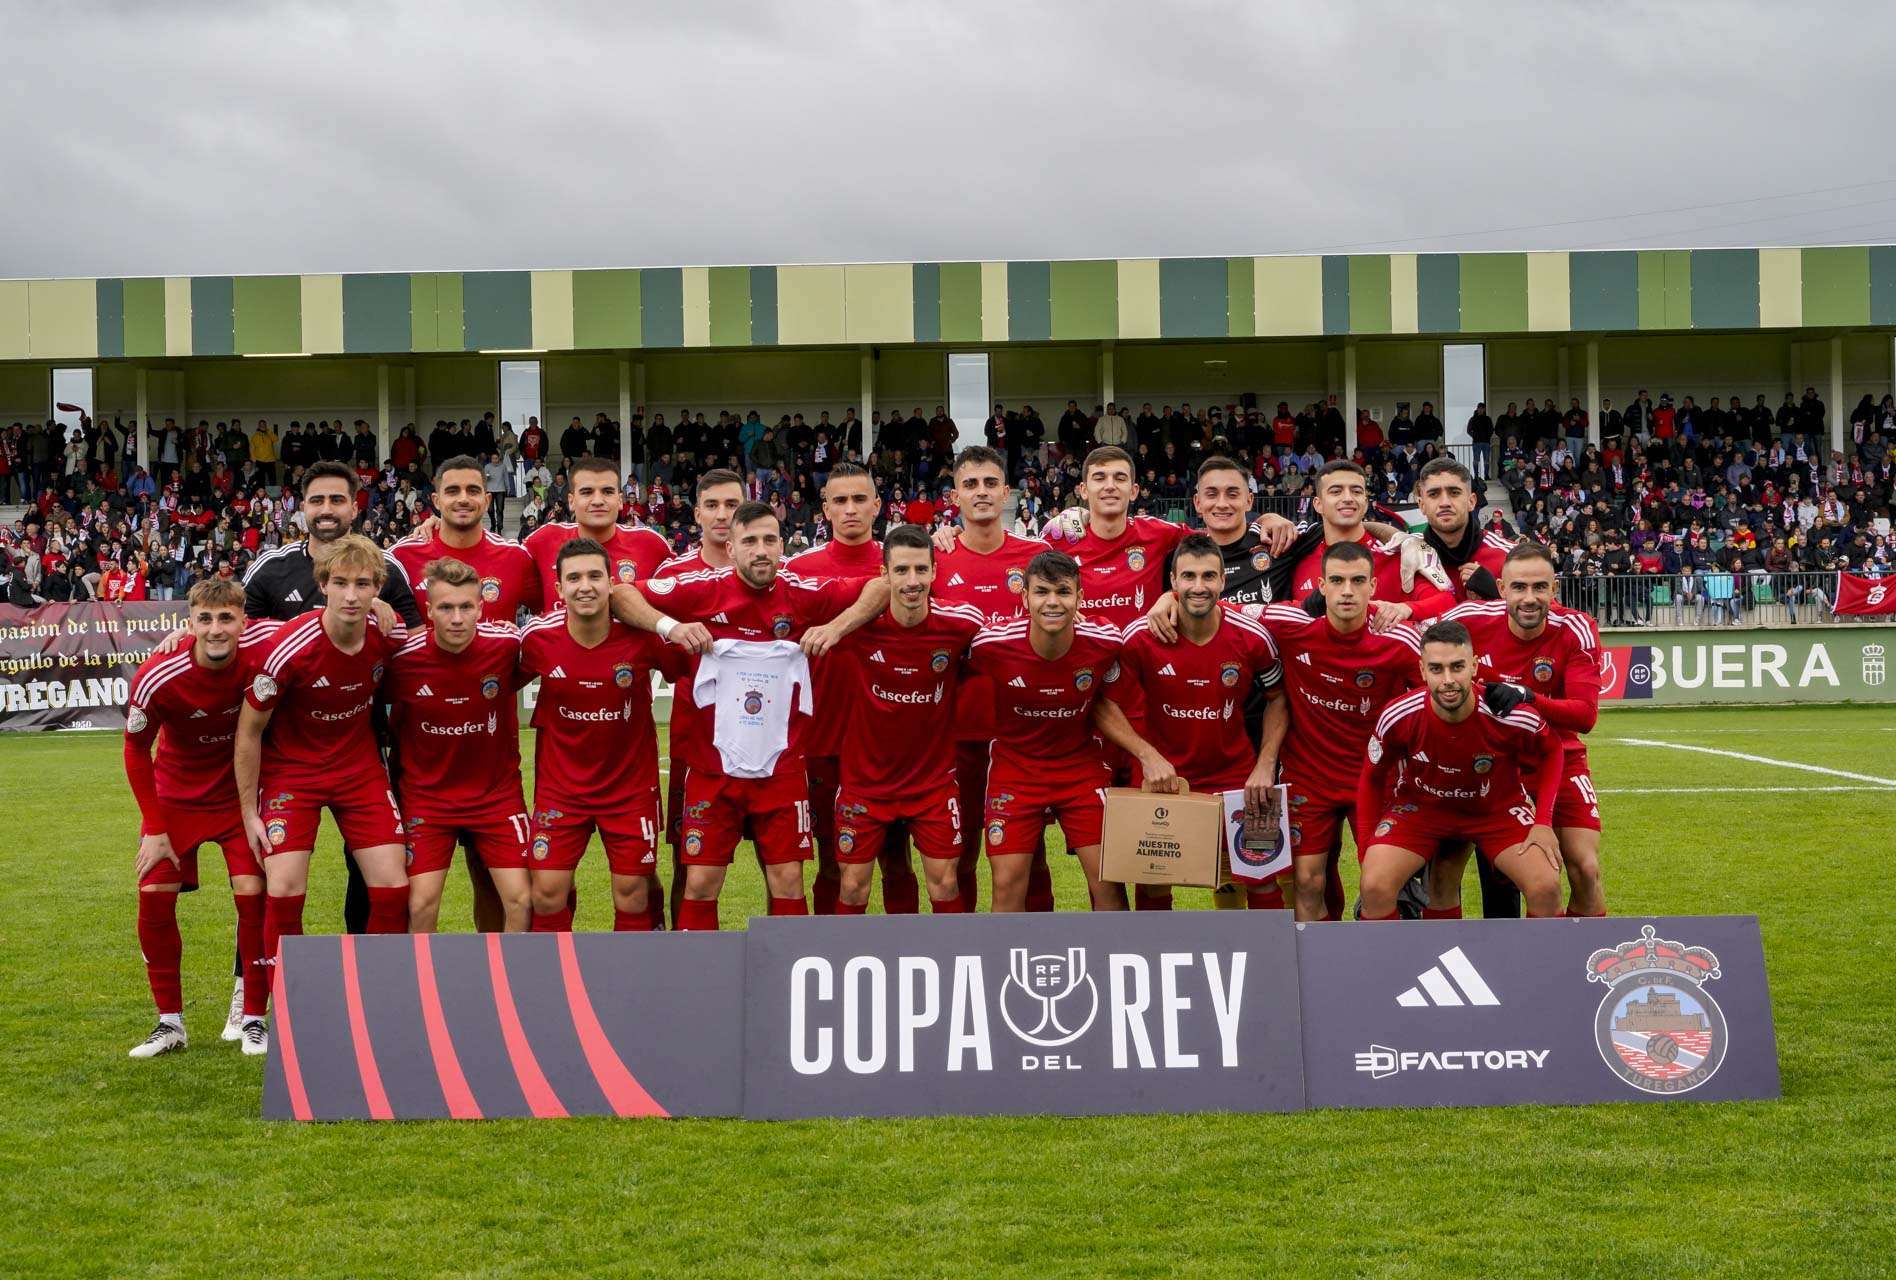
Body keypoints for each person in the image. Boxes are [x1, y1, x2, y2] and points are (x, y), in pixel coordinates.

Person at [612, 503, 889, 929]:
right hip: (712, 768)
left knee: (789, 881)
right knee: (701, 882)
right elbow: (621, 594)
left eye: (769, 540)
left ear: (782, 545)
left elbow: (879, 587)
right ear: (731, 547)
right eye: (750, 542)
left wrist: (837, 627)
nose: (761, 551)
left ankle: (787, 981)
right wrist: (672, 627)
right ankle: (701, 982)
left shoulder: (802, 592)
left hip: (781, 770)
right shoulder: (702, 589)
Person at [234, 535, 413, 1046]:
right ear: (323, 586)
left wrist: (388, 611)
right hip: (294, 773)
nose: (352, 595)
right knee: (284, 886)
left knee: (393, 886)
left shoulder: (386, 635)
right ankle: (276, 1011)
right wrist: (249, 812)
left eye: (364, 584)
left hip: (359, 770)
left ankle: (378, 999)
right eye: (341, 584)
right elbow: (249, 733)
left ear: (378, 588)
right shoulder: (290, 646)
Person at [122, 580, 276, 1058]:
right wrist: (154, 825)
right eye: (205, 619)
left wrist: (375, 603)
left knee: (254, 901)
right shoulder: (158, 674)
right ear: (188, 624)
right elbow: (134, 751)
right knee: (154, 897)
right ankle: (170, 1023)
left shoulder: (262, 653)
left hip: (238, 800)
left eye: (226, 618)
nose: (216, 629)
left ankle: (253, 1019)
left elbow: (322, 619)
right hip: (175, 801)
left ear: (242, 621)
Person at [1096, 535, 1287, 907]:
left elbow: (1278, 698)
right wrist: (1146, 756)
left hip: (1237, 775)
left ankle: (1272, 964)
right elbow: (1103, 702)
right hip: (1164, 776)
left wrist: (1266, 765)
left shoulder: (1251, 637)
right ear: (1173, 582)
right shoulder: (1141, 638)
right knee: (1153, 882)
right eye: (1188, 577)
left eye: (1208, 577)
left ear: (1222, 581)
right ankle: (1156, 962)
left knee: (1262, 876)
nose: (1199, 587)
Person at [515, 538, 682, 932]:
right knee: (546, 893)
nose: (584, 586)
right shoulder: (537, 639)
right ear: (558, 589)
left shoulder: (642, 637)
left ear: (612, 583)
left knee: (632, 892)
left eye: (594, 576)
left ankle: (633, 979)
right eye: (573, 578)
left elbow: (687, 671)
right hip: (562, 791)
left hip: (629, 790)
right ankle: (556, 980)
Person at [1355, 620, 1564, 920]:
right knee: (1374, 886)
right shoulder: (1399, 714)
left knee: (1546, 887)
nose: (1448, 679)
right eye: (1437, 669)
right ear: (1423, 670)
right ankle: (1395, 967)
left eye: (1457, 667)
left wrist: (1543, 822)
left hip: (1495, 811)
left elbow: (1553, 750)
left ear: (1475, 667)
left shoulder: (1506, 713)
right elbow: (1371, 778)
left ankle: (1535, 967)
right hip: (1423, 810)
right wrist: (1367, 849)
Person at [1255, 542, 1421, 920]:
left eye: (1358, 580)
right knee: (1308, 882)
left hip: (1373, 779)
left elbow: (1439, 695)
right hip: (1308, 778)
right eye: (1338, 580)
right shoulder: (1290, 624)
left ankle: (1376, 966)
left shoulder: (1401, 641)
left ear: (1374, 586)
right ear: (1321, 585)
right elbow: (1223, 610)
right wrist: (1169, 598)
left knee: (1378, 882)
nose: (1348, 590)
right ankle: (1321, 970)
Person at [1441, 543, 1606, 917]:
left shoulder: (1576, 628)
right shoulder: (1468, 619)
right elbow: (1424, 656)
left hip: (1560, 757)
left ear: (1554, 589)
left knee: (1586, 868)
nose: (1529, 598)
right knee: (1446, 867)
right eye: (1519, 588)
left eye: (1539, 587)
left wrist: (1529, 697)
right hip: (1489, 762)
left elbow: (1585, 716)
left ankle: (1581, 963)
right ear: (1501, 590)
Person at [829, 526, 986, 912]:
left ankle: (950, 967)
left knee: (946, 883)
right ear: (884, 576)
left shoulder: (962, 624)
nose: (912, 581)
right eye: (901, 571)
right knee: (851, 887)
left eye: (920, 570)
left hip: (931, 783)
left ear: (935, 572)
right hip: (865, 783)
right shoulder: (858, 627)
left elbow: (1012, 642)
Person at [782, 463, 917, 916]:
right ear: (825, 509)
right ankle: (830, 956)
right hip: (824, 738)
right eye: (840, 500)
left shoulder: (906, 564)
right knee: (832, 862)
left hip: (891, 743)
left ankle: (905, 957)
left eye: (860, 499)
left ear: (878, 506)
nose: (851, 509)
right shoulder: (798, 569)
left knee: (896, 861)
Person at [967, 551, 1127, 912]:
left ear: (1080, 598)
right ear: (1024, 598)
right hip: (1015, 769)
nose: (1052, 602)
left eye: (1063, 592)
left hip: (1080, 768)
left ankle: (1114, 965)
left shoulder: (1106, 641)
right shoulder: (989, 644)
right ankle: (1004, 968)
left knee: (1108, 883)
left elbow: (1105, 702)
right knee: (1007, 886)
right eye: (1041, 592)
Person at [930, 446, 1053, 911]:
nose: (981, 493)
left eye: (989, 484)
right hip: (956, 735)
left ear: (1006, 492)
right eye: (970, 484)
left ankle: (1038, 954)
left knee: (1031, 858)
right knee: (958, 856)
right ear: (955, 496)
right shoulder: (935, 559)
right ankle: (965, 957)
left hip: (1026, 734)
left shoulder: (1039, 558)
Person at [382, 559, 532, 933]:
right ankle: (421, 987)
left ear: (481, 607)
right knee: (420, 904)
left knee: (522, 900)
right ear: (429, 610)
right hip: (427, 799)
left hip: (496, 796)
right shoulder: (401, 658)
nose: (457, 617)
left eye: (466, 607)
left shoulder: (507, 644)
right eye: (446, 608)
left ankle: (510, 986)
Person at [392, 455, 541, 623]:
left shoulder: (514, 557)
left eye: (473, 491)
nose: (463, 499)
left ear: (486, 501)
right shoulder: (401, 556)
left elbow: (557, 612)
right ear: (436, 501)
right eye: (452, 491)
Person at [521, 456, 671, 605]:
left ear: (620, 500)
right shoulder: (543, 541)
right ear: (571, 501)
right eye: (587, 492)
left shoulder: (651, 544)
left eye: (607, 492)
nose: (598, 501)